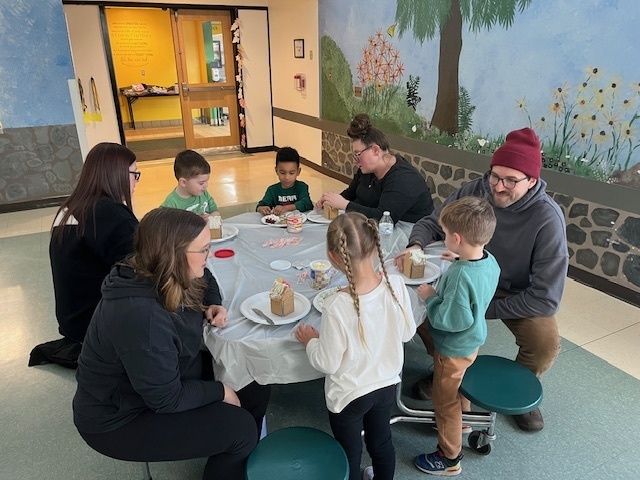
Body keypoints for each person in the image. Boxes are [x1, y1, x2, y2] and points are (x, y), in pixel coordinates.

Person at [73, 208, 270, 480]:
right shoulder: (144, 319)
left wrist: (213, 302)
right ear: (174, 255)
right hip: (119, 418)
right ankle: (234, 447)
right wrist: (219, 390)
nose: (208, 256)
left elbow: (207, 276)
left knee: (253, 375)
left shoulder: (154, 267)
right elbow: (166, 398)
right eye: (203, 250)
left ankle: (236, 455)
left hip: (160, 379)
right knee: (240, 430)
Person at [395, 127, 568, 432]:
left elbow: (546, 297)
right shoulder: (477, 190)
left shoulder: (548, 219)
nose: (498, 187)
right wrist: (415, 246)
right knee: (417, 304)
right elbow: (432, 222)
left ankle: (517, 387)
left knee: (545, 343)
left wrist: (479, 312)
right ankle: (446, 367)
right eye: (494, 176)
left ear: (531, 180)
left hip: (516, 292)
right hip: (469, 274)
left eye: (511, 180)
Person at [295, 212, 416, 480]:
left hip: (348, 396)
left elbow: (326, 362)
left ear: (333, 256)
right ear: (375, 245)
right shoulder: (396, 284)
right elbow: (408, 333)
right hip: (386, 385)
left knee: (348, 451)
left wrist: (311, 341)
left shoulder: (337, 305)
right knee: (381, 442)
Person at [30, 142, 140, 369]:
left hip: (72, 321)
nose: (136, 182)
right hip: (94, 326)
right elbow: (142, 268)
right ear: (116, 174)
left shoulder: (72, 206)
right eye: (134, 174)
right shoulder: (110, 213)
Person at [412, 197, 500, 477]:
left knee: (445, 400)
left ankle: (449, 457)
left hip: (452, 347)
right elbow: (474, 294)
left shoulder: (461, 276)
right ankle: (465, 421)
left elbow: (451, 320)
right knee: (458, 387)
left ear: (457, 238)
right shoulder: (488, 260)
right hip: (472, 342)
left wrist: (431, 298)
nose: (445, 239)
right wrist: (459, 258)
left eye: (447, 235)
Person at [314, 113, 434, 224]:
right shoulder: (367, 170)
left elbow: (383, 218)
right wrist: (330, 201)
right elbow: (350, 194)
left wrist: (345, 204)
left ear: (376, 150)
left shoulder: (404, 178)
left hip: (410, 231)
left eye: (358, 154)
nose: (354, 160)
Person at [161, 149, 220, 216]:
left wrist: (212, 218)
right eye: (201, 183)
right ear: (183, 182)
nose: (206, 185)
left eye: (206, 181)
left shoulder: (203, 192)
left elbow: (215, 211)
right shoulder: (171, 205)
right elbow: (163, 224)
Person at [256, 146, 313, 215]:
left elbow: (307, 203)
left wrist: (286, 208)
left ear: (298, 171)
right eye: (282, 173)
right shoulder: (272, 190)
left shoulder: (302, 187)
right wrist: (262, 208)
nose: (287, 177)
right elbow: (260, 206)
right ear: (276, 170)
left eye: (291, 173)